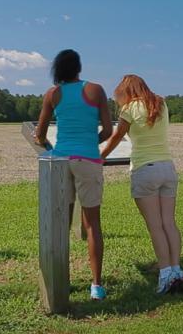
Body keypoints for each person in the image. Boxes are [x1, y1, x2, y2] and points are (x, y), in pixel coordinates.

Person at [34, 49, 113, 300]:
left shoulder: (52, 94)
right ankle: (97, 286)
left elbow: (39, 134)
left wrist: (53, 149)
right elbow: (109, 131)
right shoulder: (96, 90)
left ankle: (61, 279)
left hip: (60, 161)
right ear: (79, 67)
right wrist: (91, 141)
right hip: (88, 159)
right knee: (92, 224)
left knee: (62, 224)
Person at [101, 75, 183, 294]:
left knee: (155, 225)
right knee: (169, 222)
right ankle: (177, 269)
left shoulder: (129, 109)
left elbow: (116, 137)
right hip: (167, 168)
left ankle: (165, 274)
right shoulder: (160, 103)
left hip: (144, 169)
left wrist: (100, 157)